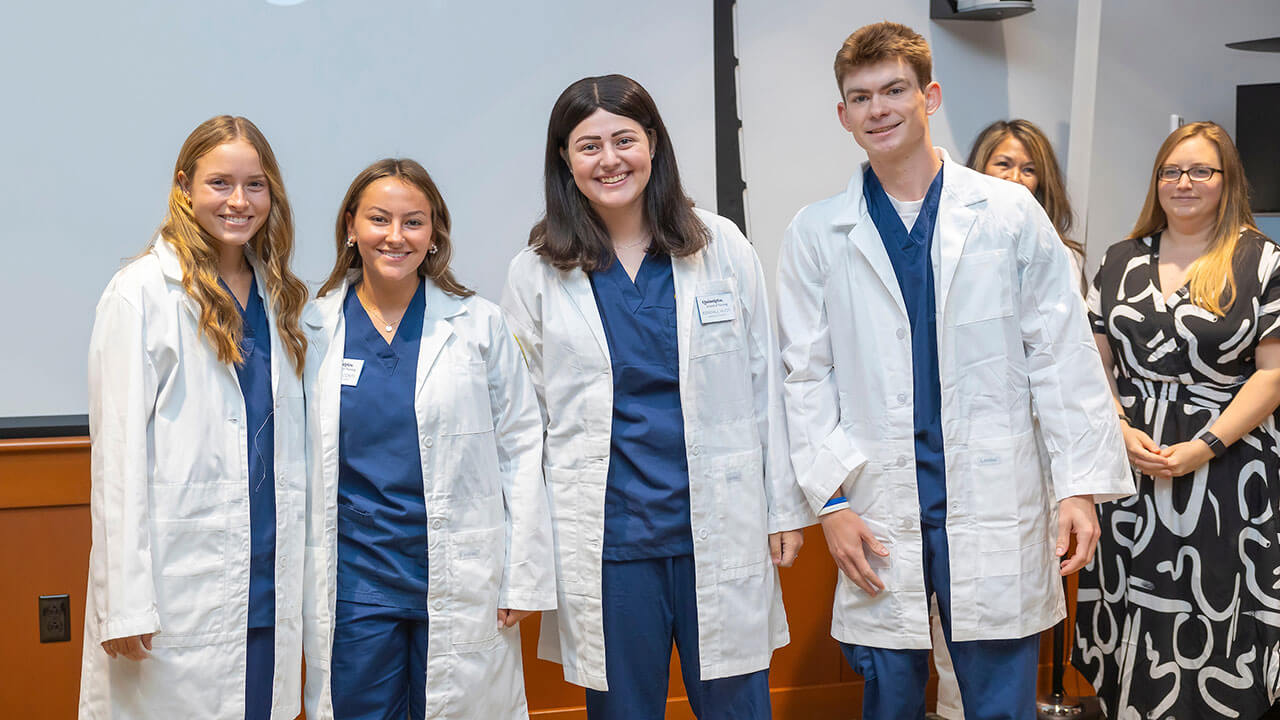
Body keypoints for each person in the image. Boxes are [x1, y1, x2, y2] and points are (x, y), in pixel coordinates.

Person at [775, 22, 1133, 720]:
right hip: (876, 502)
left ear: (929, 95)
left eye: (894, 90)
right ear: (842, 115)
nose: (878, 108)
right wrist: (831, 504)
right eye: (861, 97)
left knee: (1000, 703)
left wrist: (1079, 489)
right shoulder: (818, 233)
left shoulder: (1008, 213)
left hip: (996, 494)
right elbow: (803, 377)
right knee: (892, 701)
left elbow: (1060, 355)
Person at [500, 74, 811, 720]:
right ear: (564, 158)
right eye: (588, 146)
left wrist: (782, 507)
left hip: (719, 531)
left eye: (624, 140)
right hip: (612, 547)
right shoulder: (536, 270)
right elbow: (522, 424)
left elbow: (764, 387)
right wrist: (520, 550)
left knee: (738, 710)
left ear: (653, 145)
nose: (609, 160)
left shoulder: (720, 247)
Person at [300, 159, 554, 720]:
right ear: (350, 226)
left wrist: (520, 574)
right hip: (357, 581)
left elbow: (520, 447)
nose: (396, 236)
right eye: (379, 219)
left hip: (464, 571)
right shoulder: (311, 330)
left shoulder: (479, 325)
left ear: (435, 232)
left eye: (413, 222)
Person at [79, 115, 310, 720]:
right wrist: (123, 604)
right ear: (184, 185)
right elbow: (118, 462)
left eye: (255, 185)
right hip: (179, 589)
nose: (239, 201)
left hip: (266, 584)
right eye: (219, 183)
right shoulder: (141, 293)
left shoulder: (279, 295)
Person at [1072, 121, 1280, 719]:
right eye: (1171, 171)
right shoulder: (1120, 259)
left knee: (1216, 614)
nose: (1183, 182)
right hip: (1130, 466)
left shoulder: (1261, 261)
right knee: (1131, 614)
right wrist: (1117, 425)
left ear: (1226, 180)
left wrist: (1204, 445)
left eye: (1200, 171)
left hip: (1229, 478)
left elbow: (1272, 373)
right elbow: (1092, 361)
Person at [930, 117, 1086, 720]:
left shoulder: (1062, 258)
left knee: (1009, 623)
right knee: (955, 626)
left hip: (1028, 468)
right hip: (955, 462)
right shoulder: (946, 252)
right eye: (1004, 165)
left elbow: (1068, 367)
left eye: (1030, 169)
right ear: (977, 172)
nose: (1018, 179)